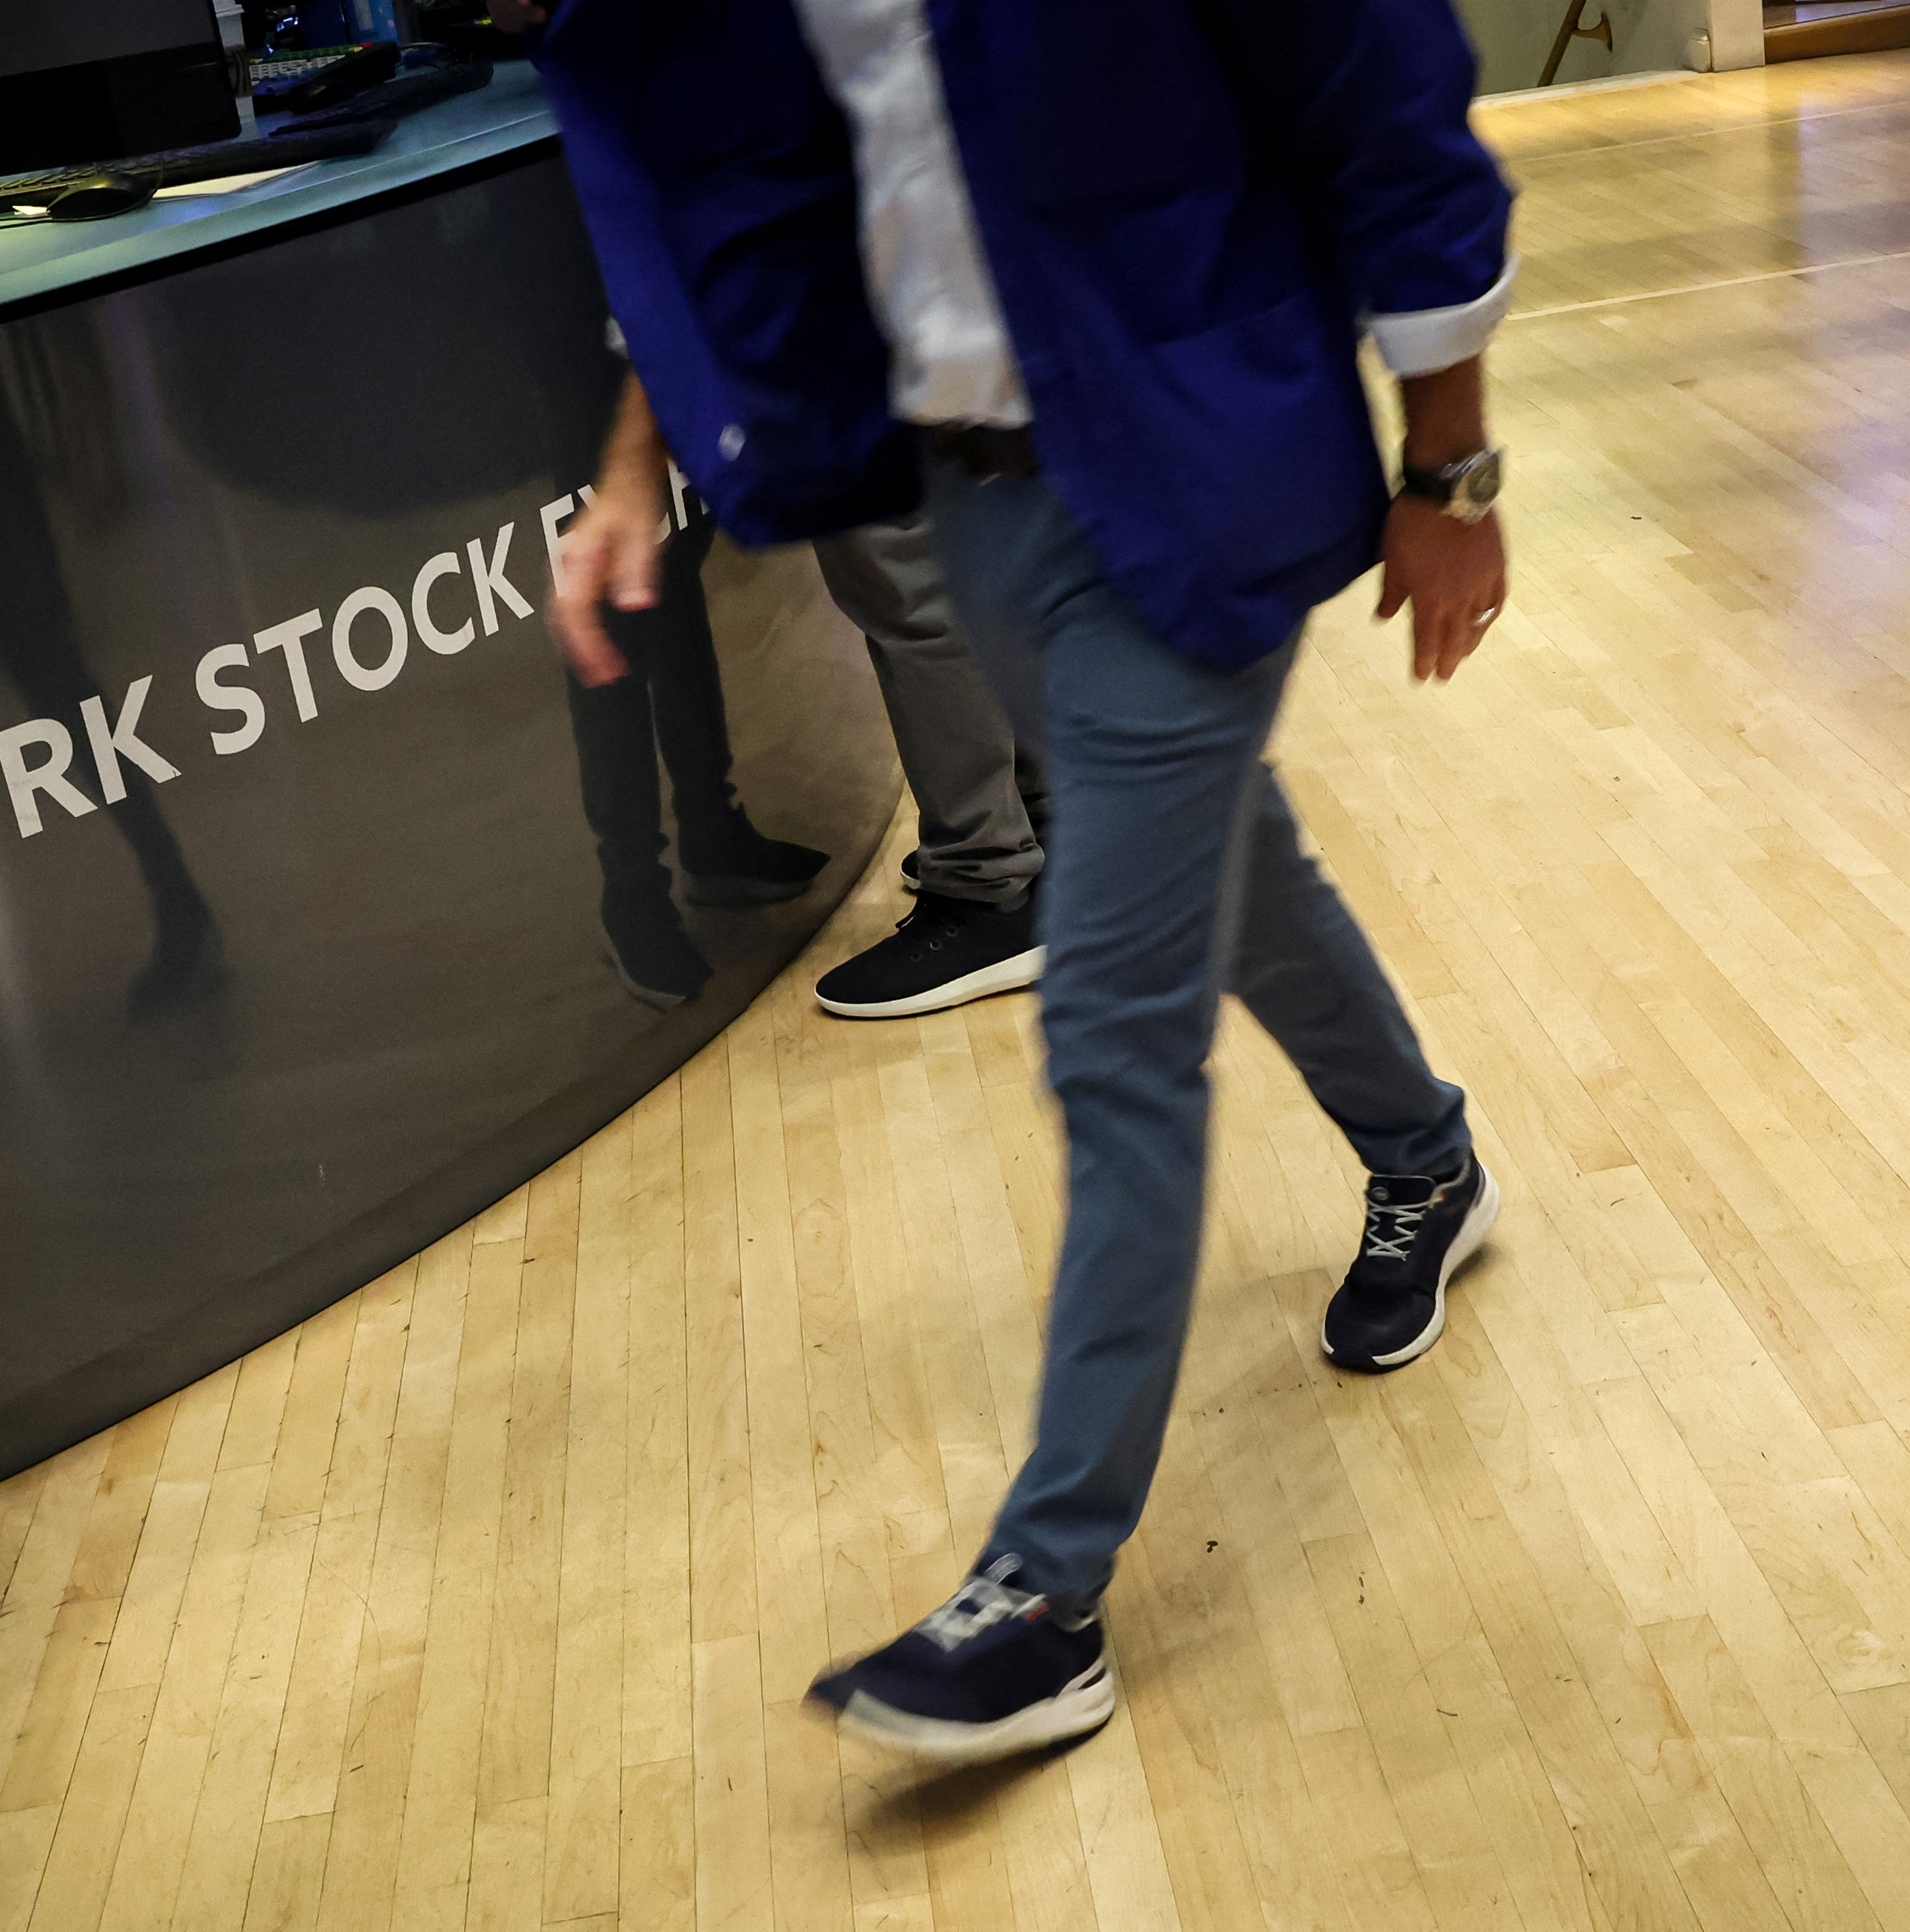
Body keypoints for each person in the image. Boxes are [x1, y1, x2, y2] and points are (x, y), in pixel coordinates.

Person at [531, 0, 1517, 1764]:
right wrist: (633, 470)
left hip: (1197, 467)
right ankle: (1428, 1156)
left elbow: (1389, 105)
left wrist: (1452, 462)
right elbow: (738, 163)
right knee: (1239, 868)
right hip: (969, 498)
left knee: (1113, 1021)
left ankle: (1045, 1592)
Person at [566, 368, 1051, 1021]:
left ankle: (987, 887)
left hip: (837, 327)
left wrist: (630, 468)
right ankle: (1038, 831)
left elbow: (671, 274)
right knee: (961, 539)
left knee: (904, 582)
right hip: (921, 317)